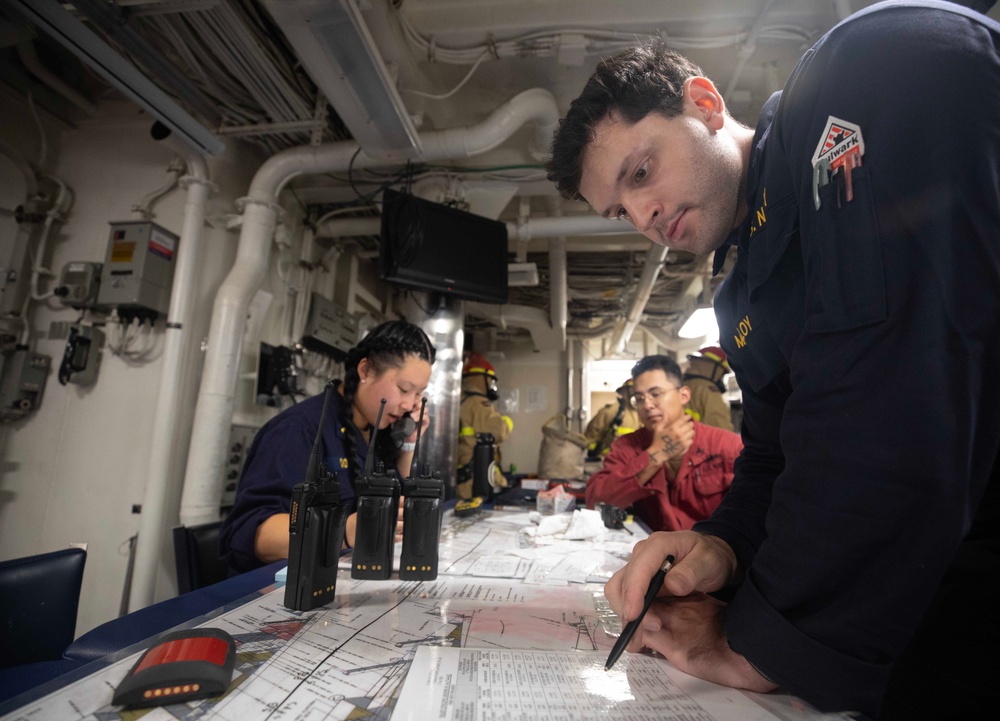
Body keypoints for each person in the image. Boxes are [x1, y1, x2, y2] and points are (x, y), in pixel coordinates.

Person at [546, 2, 1000, 718]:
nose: (643, 218)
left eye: (641, 171)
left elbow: (893, 385)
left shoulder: (864, 73)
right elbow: (773, 458)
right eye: (618, 213)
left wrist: (761, 643)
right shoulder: (742, 296)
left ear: (705, 102)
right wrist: (720, 544)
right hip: (925, 597)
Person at [220, 320, 435, 574]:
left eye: (419, 394)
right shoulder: (299, 429)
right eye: (404, 389)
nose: (411, 404)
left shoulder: (377, 433)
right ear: (365, 370)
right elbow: (254, 535)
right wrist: (343, 531)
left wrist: (409, 444)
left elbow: (397, 505)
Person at [585, 356, 742, 532]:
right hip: (654, 553)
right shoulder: (627, 446)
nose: (647, 405)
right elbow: (596, 501)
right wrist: (655, 455)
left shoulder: (728, 447)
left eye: (656, 394)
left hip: (712, 553)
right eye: (639, 398)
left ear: (684, 395)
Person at [456, 352, 513, 498]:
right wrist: (507, 421)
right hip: (474, 481)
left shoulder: (461, 401)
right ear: (483, 380)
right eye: (490, 381)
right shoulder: (479, 404)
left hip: (464, 478)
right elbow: (499, 431)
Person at [584, 379, 641, 459]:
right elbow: (589, 438)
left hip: (638, 464)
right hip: (610, 462)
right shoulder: (611, 411)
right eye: (632, 390)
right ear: (623, 393)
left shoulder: (648, 412)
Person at [682, 346, 734, 432]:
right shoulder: (708, 389)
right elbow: (721, 429)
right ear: (715, 368)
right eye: (722, 372)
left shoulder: (679, 385)